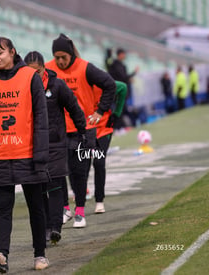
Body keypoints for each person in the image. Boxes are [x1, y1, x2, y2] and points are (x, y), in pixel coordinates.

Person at [0, 36, 50, 272]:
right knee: (4, 207)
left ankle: (40, 255)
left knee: (35, 206)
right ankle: (2, 255)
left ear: (12, 52)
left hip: (28, 154)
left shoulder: (30, 76)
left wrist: (40, 154)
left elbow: (41, 118)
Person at [45, 33, 115, 228]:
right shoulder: (48, 69)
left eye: (63, 57)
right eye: (56, 57)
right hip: (58, 130)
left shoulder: (85, 68)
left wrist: (100, 111)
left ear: (70, 55)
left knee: (80, 171)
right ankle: (66, 209)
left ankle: (80, 212)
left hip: (83, 129)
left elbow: (110, 84)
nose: (60, 61)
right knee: (61, 171)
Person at [24, 51, 86, 244]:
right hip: (33, 146)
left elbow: (73, 107)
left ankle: (55, 228)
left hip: (57, 142)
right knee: (40, 189)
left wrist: (82, 129)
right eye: (30, 72)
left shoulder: (57, 85)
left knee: (56, 186)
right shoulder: (23, 87)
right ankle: (46, 228)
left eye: (38, 71)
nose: (35, 75)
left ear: (44, 68)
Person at [90, 81, 127, 214]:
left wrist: (117, 113)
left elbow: (123, 87)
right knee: (77, 165)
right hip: (83, 129)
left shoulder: (101, 81)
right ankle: (79, 198)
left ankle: (99, 200)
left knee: (99, 162)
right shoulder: (73, 85)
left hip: (103, 129)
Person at [108, 48, 138, 130]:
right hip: (117, 91)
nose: (124, 56)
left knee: (122, 110)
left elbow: (124, 77)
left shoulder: (121, 65)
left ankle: (121, 127)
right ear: (120, 54)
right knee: (119, 110)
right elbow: (123, 77)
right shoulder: (115, 64)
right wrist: (133, 73)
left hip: (122, 91)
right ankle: (118, 128)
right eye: (123, 54)